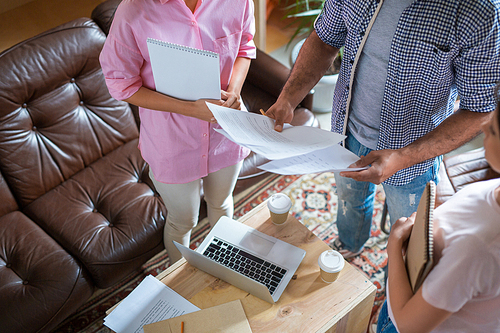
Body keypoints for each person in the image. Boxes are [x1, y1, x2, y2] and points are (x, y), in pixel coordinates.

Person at [265, 0, 500, 258]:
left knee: (408, 244)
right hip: (346, 132)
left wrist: (402, 157)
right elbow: (325, 39)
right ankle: (350, 244)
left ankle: (393, 285)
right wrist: (288, 97)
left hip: (414, 155)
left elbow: (479, 108)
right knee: (348, 201)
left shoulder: (482, 11)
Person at [99, 0, 256, 263]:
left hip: (226, 132)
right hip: (171, 144)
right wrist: (190, 109)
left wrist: (234, 92)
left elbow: (244, 46)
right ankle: (180, 280)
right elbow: (120, 83)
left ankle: (226, 267)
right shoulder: (134, 10)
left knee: (222, 203)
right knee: (183, 221)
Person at [377, 86, 500, 333]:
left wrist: (394, 243)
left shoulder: (477, 248)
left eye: (495, 129)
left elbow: (407, 325)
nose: (484, 126)